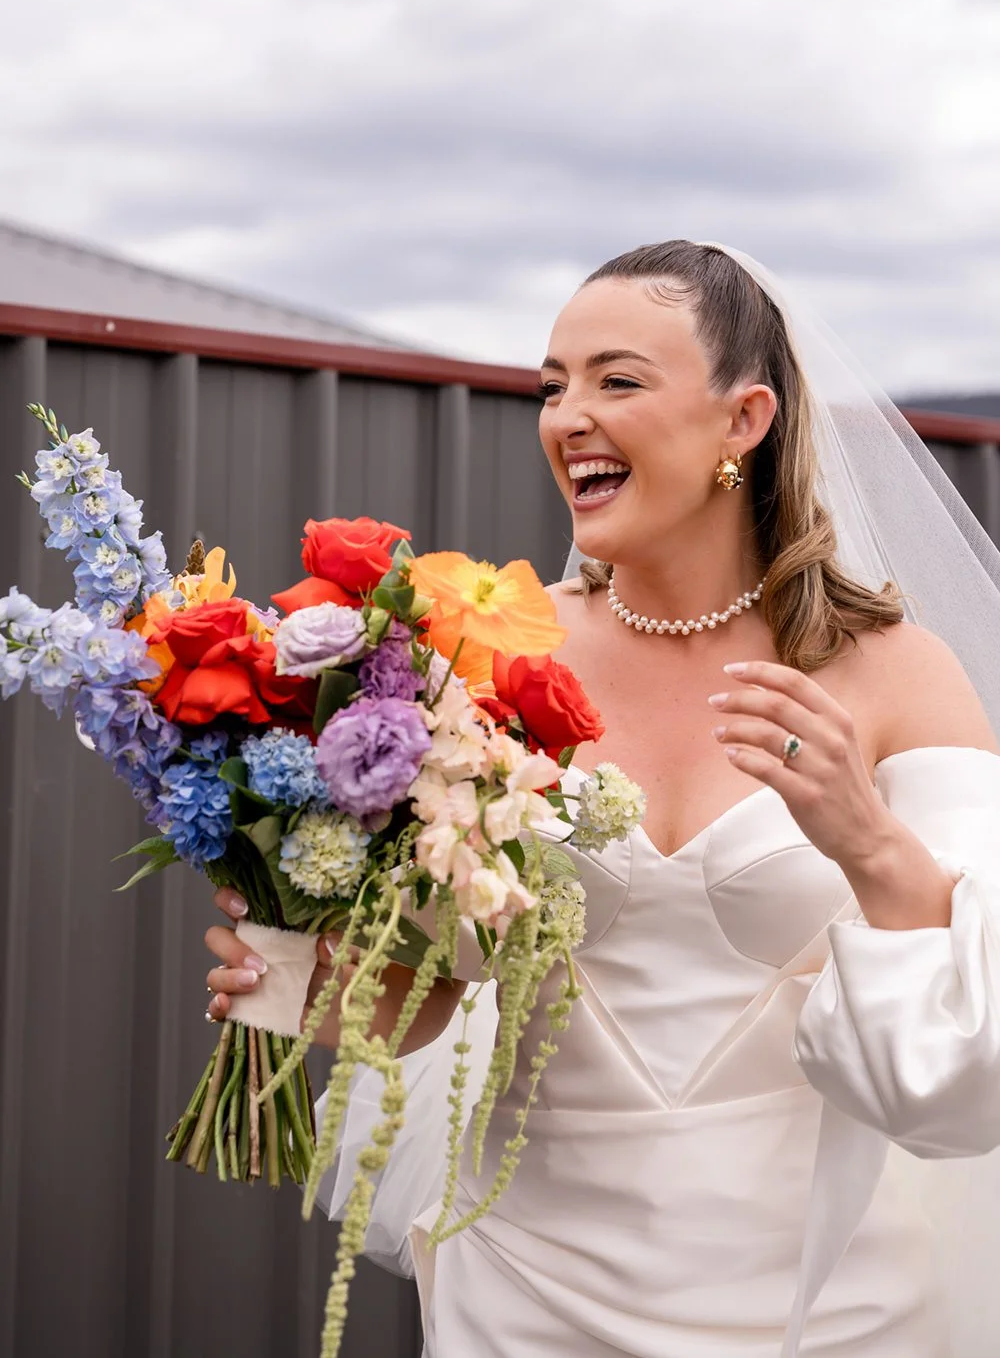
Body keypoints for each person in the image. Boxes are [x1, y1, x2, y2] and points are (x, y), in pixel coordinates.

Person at [204, 241, 1000, 1356]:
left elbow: (974, 1040)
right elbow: (437, 989)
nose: (568, 416)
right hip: (530, 1294)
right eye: (552, 385)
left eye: (616, 380)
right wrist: (294, 981)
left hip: (830, 1307)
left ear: (744, 419)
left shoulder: (897, 674)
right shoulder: (478, 661)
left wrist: (864, 841)